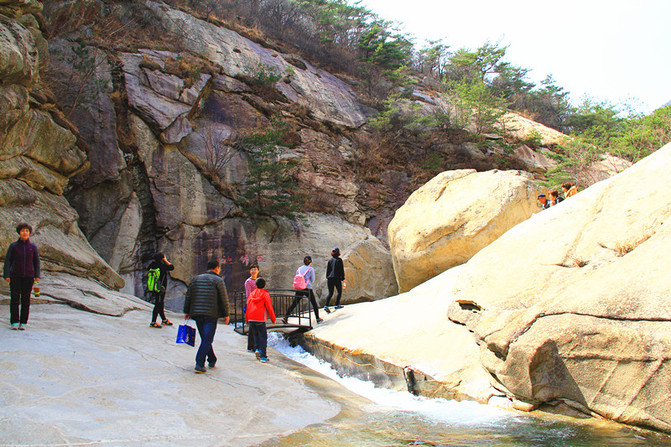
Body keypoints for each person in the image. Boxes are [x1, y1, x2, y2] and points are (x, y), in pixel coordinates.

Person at [183, 259, 231, 374]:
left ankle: (212, 359)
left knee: (205, 338)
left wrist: (186, 311)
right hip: (211, 314)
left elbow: (189, 295)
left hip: (197, 313)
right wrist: (226, 314)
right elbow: (223, 299)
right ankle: (199, 364)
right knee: (207, 339)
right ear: (217, 268)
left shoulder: (195, 279)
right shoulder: (218, 280)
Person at [4, 223, 40, 330]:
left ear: (29, 233)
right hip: (15, 276)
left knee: (26, 300)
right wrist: (6, 274)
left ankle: (23, 322)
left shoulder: (33, 247)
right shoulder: (14, 246)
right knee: (14, 299)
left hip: (28, 277)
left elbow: (36, 262)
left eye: (27, 231)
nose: (25, 233)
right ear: (19, 232)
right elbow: (8, 261)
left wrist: (37, 275)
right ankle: (14, 322)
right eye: (23, 231)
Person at [283, 256, 322, 324]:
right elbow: (313, 279)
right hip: (307, 288)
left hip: (299, 288)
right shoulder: (311, 269)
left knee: (294, 303)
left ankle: (286, 317)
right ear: (310, 262)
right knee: (314, 303)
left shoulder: (299, 269)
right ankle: (317, 318)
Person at [245, 278, 276, 363]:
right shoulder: (265, 294)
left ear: (256, 285)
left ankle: (257, 349)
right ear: (264, 285)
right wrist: (273, 318)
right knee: (263, 336)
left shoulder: (252, 294)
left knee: (255, 335)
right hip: (260, 318)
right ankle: (263, 356)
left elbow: (248, 306)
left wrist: (247, 319)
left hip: (251, 318)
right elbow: (269, 307)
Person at [147, 252, 175, 328]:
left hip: (154, 287)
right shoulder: (161, 266)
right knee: (158, 304)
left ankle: (164, 319)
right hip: (160, 288)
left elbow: (148, 268)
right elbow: (172, 267)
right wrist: (166, 261)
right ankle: (153, 322)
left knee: (160, 303)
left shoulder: (152, 265)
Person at [324, 247, 345, 313]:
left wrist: (328, 277)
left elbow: (328, 270)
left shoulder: (330, 260)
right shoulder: (339, 260)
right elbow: (341, 270)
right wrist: (343, 278)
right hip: (336, 278)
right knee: (339, 291)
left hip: (330, 278)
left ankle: (326, 306)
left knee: (330, 293)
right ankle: (337, 304)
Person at [244, 264, 260, 352]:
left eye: (255, 269)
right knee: (252, 326)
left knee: (255, 326)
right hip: (252, 304)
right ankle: (251, 345)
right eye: (252, 269)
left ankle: (254, 345)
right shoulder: (248, 282)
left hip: (258, 305)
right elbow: (248, 294)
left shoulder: (258, 281)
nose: (253, 271)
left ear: (258, 271)